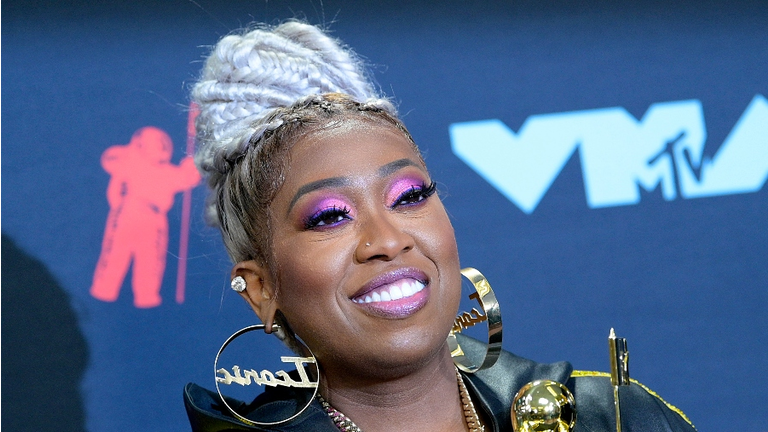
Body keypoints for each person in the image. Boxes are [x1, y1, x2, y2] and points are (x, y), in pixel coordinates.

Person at [183, 21, 696, 432]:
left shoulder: (612, 418)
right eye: (330, 217)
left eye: (409, 196)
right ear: (260, 289)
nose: (388, 241)